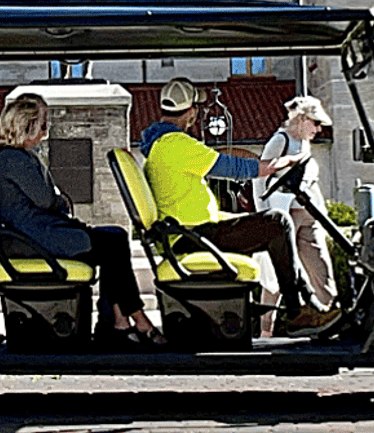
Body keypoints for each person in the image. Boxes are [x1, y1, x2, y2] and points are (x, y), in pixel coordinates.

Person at [141, 78, 339, 335]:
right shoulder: (177, 144)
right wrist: (286, 161)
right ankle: (296, 312)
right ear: (191, 112)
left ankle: (301, 306)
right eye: (197, 109)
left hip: (190, 234)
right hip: (193, 237)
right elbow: (237, 168)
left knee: (270, 224)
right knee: (278, 222)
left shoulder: (159, 146)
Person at [0, 94, 165, 348]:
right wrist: (60, 200)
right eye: (43, 123)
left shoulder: (14, 157)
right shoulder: (14, 159)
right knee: (112, 243)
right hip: (36, 237)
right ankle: (132, 319)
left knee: (114, 237)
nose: (47, 130)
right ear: (28, 125)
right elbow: (46, 200)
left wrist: (57, 200)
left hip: (38, 232)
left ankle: (118, 321)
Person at [251, 95, 337, 336]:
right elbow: (260, 179)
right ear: (301, 119)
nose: (318, 129)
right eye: (315, 123)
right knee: (278, 276)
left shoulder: (304, 143)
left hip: (308, 215)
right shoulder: (280, 140)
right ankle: (266, 332)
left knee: (321, 270)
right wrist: (265, 215)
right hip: (286, 216)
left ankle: (328, 319)